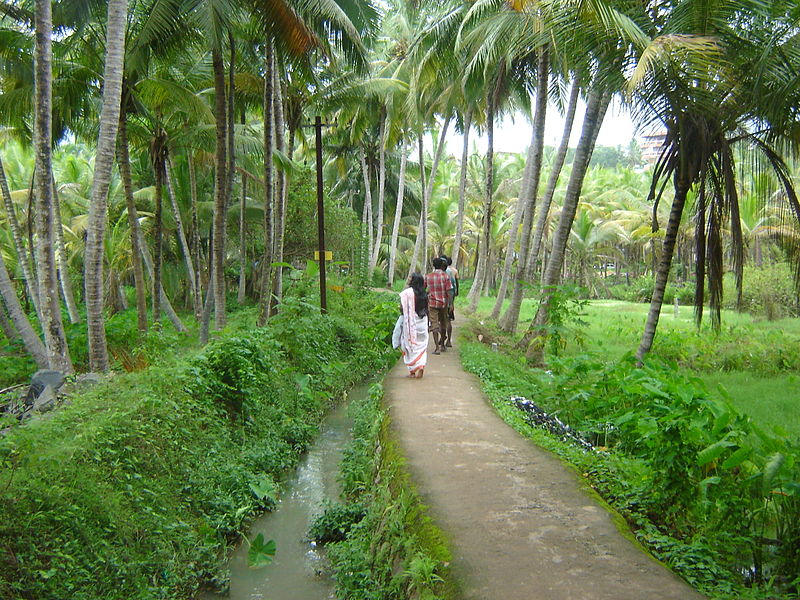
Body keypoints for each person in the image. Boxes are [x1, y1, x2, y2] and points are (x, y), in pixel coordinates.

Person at [392, 273, 429, 378]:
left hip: (410, 324)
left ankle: (412, 372)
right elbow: (427, 309)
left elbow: (402, 308)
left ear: (413, 281)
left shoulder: (407, 293)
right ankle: (421, 366)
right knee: (421, 347)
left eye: (410, 278)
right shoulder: (424, 294)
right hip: (422, 322)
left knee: (409, 346)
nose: (408, 279)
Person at [425, 257, 452, 355]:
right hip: (443, 303)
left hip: (432, 304)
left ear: (433, 265)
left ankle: (436, 348)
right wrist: (451, 304)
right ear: (442, 265)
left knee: (434, 325)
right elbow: (449, 291)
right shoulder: (445, 276)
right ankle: (443, 346)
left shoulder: (428, 276)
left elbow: (424, 288)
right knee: (444, 324)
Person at [441, 254, 459, 347]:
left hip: (441, 300)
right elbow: (454, 287)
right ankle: (448, 341)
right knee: (448, 320)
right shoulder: (452, 272)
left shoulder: (442, 272)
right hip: (448, 299)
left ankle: (443, 339)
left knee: (442, 321)